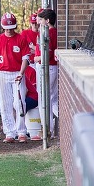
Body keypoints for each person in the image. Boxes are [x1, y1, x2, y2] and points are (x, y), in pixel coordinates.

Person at [0, 12, 30, 143]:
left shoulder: (21, 39)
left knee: (19, 103)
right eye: (7, 28)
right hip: (3, 74)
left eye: (11, 28)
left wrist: (21, 73)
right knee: (5, 104)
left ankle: (22, 132)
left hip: (17, 73)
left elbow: (26, 58)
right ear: (3, 27)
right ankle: (9, 132)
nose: (9, 31)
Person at [35, 8, 59, 137]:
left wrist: (36, 58)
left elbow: (46, 54)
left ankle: (46, 129)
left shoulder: (49, 33)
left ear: (47, 20)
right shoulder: (50, 32)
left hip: (47, 67)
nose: (40, 22)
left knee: (44, 99)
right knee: (53, 98)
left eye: (42, 19)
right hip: (51, 67)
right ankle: (50, 127)